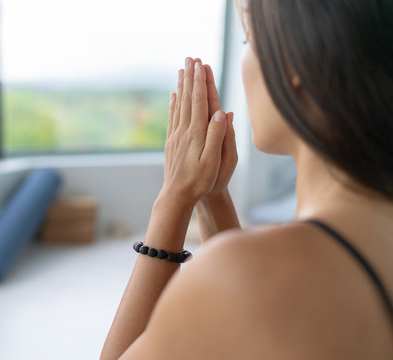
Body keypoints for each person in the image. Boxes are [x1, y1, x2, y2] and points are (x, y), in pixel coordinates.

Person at [101, 0, 393, 358]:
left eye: (248, 39)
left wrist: (174, 198)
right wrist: (214, 196)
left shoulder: (246, 274)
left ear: (293, 59)